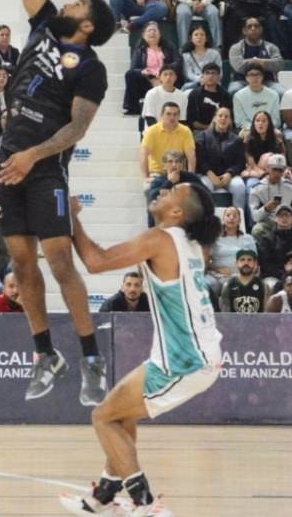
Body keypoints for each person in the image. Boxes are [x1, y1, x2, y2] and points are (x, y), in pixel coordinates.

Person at [0, 0, 116, 405]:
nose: (70, 2)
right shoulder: (44, 24)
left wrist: (33, 156)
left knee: (61, 262)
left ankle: (91, 360)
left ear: (87, 26)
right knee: (22, 266)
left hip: (43, 168)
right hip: (7, 160)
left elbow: (78, 127)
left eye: (79, 4)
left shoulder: (91, 68)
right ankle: (46, 353)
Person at [60, 182, 220, 516]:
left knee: (103, 417)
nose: (162, 190)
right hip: (191, 353)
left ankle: (145, 502)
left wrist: (72, 218)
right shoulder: (189, 243)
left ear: (177, 212)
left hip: (184, 359)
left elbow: (95, 261)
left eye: (172, 191)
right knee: (118, 414)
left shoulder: (161, 240)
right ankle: (102, 496)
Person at [122, 23, 180, 115]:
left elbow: (177, 62)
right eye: (149, 30)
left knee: (173, 76)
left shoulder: (169, 47)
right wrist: (142, 72)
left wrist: (165, 71)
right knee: (130, 74)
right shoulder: (139, 51)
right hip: (148, 80)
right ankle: (133, 108)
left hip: (166, 78)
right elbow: (133, 68)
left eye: (155, 30)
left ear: (160, 34)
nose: (152, 32)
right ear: (144, 36)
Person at [196, 106, 246, 209]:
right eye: (220, 116)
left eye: (226, 117)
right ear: (214, 119)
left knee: (239, 187)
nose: (223, 118)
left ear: (230, 121)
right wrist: (210, 175)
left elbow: (240, 162)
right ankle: (208, 221)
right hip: (208, 175)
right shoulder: (203, 137)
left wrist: (229, 173)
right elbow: (201, 159)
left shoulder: (236, 140)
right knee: (203, 187)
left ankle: (238, 220)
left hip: (229, 176)